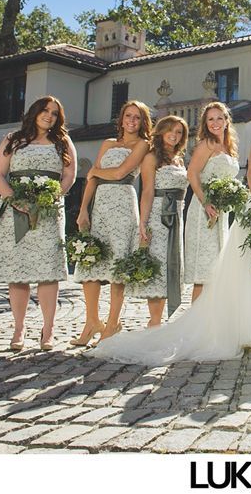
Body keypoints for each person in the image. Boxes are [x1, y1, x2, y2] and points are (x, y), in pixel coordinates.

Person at [92, 96, 251, 364]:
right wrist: (222, 202)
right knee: (222, 271)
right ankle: (213, 326)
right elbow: (240, 175)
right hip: (233, 210)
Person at [0, 96, 77, 351]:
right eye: (45, 111)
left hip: (48, 212)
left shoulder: (62, 142)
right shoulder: (13, 140)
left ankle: (48, 330)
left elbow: (69, 175)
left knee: (47, 271)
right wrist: (14, 200)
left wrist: (54, 195)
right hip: (16, 210)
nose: (49, 116)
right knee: (18, 270)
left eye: (54, 113)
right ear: (34, 113)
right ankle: (19, 328)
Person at [71, 100, 151, 346]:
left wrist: (95, 171)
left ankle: (113, 323)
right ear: (121, 119)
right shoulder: (107, 143)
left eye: (137, 117)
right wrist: (84, 209)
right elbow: (91, 178)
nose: (132, 121)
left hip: (123, 205)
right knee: (90, 264)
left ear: (142, 122)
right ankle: (92, 322)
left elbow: (119, 173)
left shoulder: (143, 145)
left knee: (117, 266)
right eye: (128, 116)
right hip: (100, 206)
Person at [134, 115, 189, 326]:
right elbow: (147, 190)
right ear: (161, 132)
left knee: (170, 264)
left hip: (177, 214)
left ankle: (162, 319)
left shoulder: (179, 159)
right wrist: (143, 222)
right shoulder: (151, 157)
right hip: (158, 215)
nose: (174, 136)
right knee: (158, 263)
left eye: (179, 132)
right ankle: (154, 321)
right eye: (170, 131)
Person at [184, 102, 240, 303]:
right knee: (204, 271)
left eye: (219, 118)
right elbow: (192, 173)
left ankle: (209, 323)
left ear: (226, 121)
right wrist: (206, 202)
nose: (215, 123)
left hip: (221, 213)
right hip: (204, 211)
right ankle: (195, 327)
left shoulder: (228, 147)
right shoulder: (206, 144)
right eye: (210, 119)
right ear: (205, 123)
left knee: (216, 271)